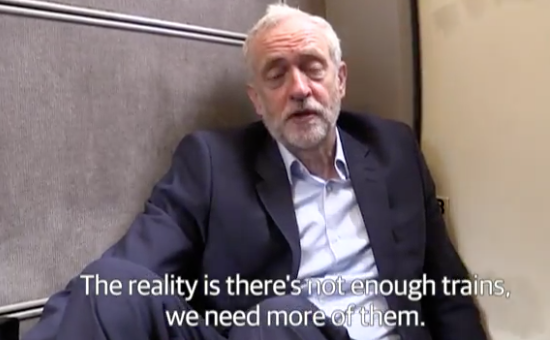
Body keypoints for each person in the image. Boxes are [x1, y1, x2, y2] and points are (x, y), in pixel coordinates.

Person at [23, 3, 488, 340]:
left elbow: (446, 289)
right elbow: (128, 269)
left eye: (312, 68)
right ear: (257, 99)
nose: (300, 89)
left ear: (340, 80)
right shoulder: (212, 162)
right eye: (276, 75)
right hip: (261, 336)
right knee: (113, 287)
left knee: (283, 320)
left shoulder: (395, 151)